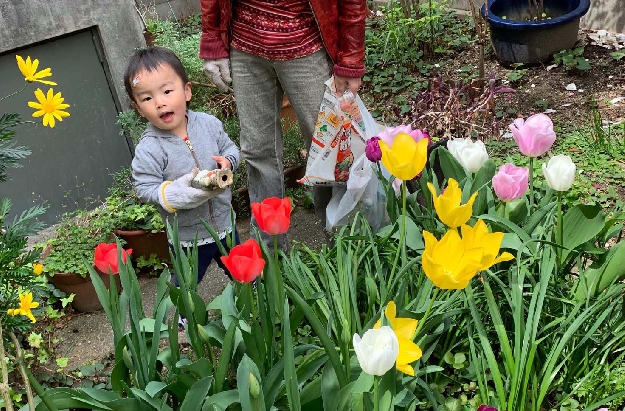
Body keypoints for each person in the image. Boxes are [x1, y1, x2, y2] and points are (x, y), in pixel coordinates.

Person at [199, 0, 367, 249]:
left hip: (307, 46)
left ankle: (342, 250)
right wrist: (213, 37)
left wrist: (351, 60)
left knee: (330, 152)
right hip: (245, 49)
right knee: (258, 152)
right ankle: (271, 257)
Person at [125, 46, 241, 297]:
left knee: (243, 273)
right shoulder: (149, 148)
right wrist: (169, 194)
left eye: (167, 91)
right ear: (137, 108)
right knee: (186, 285)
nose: (159, 102)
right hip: (188, 236)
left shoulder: (208, 124)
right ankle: (185, 319)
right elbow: (145, 188)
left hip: (225, 224)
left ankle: (254, 306)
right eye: (146, 98)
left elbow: (230, 148)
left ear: (187, 91)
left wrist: (229, 162)